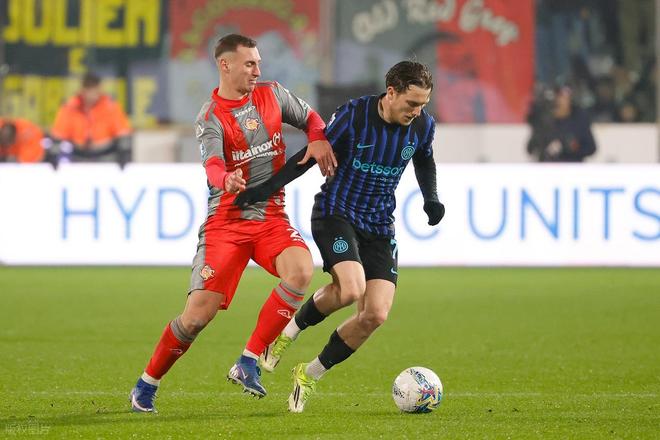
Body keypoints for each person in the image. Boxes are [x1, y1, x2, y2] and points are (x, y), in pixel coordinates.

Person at [129, 33, 336, 413]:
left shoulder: (273, 94)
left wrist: (318, 137)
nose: (257, 70)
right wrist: (225, 179)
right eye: (249, 64)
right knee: (196, 318)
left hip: (271, 216)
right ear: (225, 65)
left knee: (301, 271)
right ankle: (147, 383)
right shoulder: (210, 116)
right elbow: (211, 164)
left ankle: (248, 360)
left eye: (258, 63)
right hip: (227, 223)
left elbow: (311, 118)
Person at [234, 61, 445, 412]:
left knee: (375, 315)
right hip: (336, 214)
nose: (417, 111)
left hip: (380, 226)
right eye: (412, 103)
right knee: (350, 289)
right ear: (391, 92)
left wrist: (431, 198)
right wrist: (266, 188)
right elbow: (312, 154)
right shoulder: (355, 116)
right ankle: (286, 335)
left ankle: (309, 374)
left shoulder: (423, 125)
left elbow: (424, 159)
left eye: (423, 104)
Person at [49, 72, 132, 168]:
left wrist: (124, 154)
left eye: (94, 88)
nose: (91, 93)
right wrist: (54, 154)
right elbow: (58, 134)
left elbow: (123, 133)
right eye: (88, 88)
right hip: (77, 156)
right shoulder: (70, 107)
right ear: (82, 89)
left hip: (106, 155)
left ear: (99, 88)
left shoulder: (111, 106)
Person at [526, 85, 597, 162]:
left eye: (563, 97)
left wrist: (572, 148)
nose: (560, 100)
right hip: (548, 166)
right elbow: (531, 148)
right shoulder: (544, 121)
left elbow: (591, 148)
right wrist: (544, 147)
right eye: (558, 96)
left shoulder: (579, 120)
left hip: (572, 166)